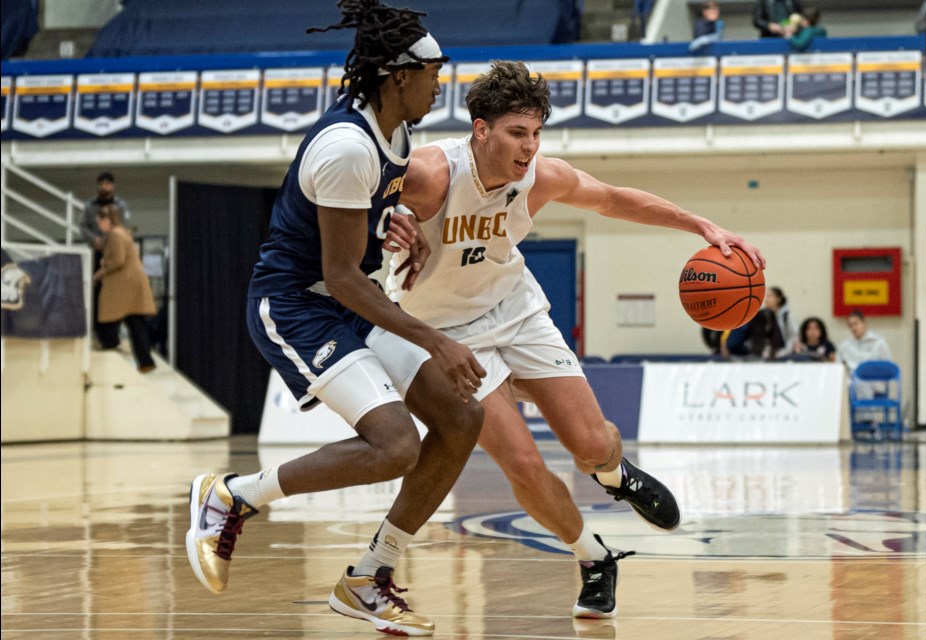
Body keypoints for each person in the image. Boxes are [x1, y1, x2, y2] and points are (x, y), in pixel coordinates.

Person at [386, 61, 765, 619]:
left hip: (514, 311)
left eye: (537, 134)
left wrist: (702, 227)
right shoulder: (429, 173)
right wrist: (388, 219)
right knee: (521, 463)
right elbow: (347, 194)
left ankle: (616, 474)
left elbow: (613, 198)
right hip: (446, 335)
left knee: (590, 445)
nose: (529, 146)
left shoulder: (539, 175)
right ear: (481, 129)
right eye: (518, 133)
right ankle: (593, 556)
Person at [184, 2, 485, 637]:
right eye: (433, 72)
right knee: (397, 445)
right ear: (398, 75)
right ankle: (233, 496)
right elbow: (343, 275)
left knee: (462, 417)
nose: (441, 84)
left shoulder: (395, 135)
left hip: (343, 297)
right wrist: (434, 338)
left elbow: (355, 234)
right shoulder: (348, 145)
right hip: (295, 304)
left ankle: (368, 578)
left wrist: (392, 224)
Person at [92, 204, 156, 373]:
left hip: (125, 285)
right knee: (135, 324)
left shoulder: (115, 235)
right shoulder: (122, 232)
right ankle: (145, 361)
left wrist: (103, 268)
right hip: (130, 284)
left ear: (107, 220)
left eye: (100, 222)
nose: (99, 225)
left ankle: (111, 348)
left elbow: (118, 260)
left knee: (106, 320)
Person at [82, 171, 132, 348]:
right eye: (102, 183)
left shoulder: (121, 206)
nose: (105, 186)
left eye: (108, 183)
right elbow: (83, 228)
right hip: (96, 253)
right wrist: (94, 240)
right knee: (97, 293)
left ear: (113, 186)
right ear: (98, 185)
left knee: (115, 292)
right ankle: (99, 334)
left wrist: (110, 240)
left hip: (115, 252)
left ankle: (114, 334)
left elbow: (124, 228)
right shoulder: (89, 206)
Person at [765, 286, 798, 358]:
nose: (766, 299)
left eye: (769, 296)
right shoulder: (769, 315)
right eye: (766, 296)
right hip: (773, 354)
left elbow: (794, 337)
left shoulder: (788, 316)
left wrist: (785, 352)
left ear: (778, 299)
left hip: (786, 355)